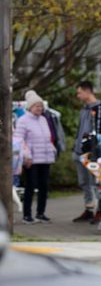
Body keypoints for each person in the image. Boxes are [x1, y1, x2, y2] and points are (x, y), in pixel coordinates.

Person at [13, 90, 57, 224]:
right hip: (31, 160)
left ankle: (40, 213)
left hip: (45, 158)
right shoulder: (22, 121)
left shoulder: (44, 119)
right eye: (36, 106)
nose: (39, 108)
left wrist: (53, 151)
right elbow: (19, 140)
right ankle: (27, 215)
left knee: (44, 186)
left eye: (40, 106)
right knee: (30, 187)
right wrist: (26, 156)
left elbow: (48, 138)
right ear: (30, 107)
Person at [72, 80, 101, 223]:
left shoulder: (99, 108)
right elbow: (80, 129)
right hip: (79, 151)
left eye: (80, 92)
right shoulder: (84, 109)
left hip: (92, 153)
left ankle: (100, 211)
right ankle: (88, 209)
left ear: (88, 91)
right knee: (83, 182)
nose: (78, 95)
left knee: (94, 182)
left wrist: (94, 150)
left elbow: (98, 131)